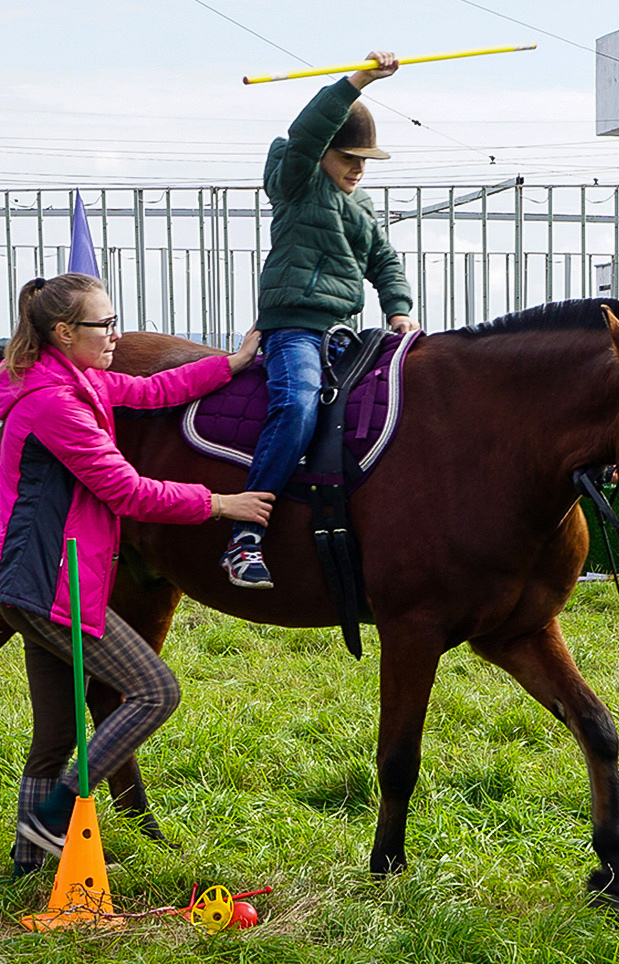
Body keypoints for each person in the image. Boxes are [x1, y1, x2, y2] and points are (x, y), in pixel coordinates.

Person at [0, 272, 275, 872]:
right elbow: (126, 490)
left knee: (54, 737)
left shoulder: (75, 379)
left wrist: (230, 364)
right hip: (47, 586)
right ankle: (55, 814)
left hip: (32, 581)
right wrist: (221, 504)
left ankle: (28, 862)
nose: (115, 334)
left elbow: (152, 391)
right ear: (65, 333)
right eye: (104, 325)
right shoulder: (54, 404)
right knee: (154, 691)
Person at [225, 50, 419, 589]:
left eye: (365, 159)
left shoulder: (362, 211)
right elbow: (305, 130)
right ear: (321, 154)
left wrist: (399, 309)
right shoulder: (296, 182)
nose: (359, 168)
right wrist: (358, 81)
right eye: (349, 156)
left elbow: (384, 261)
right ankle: (245, 536)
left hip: (345, 336)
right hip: (294, 332)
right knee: (296, 406)